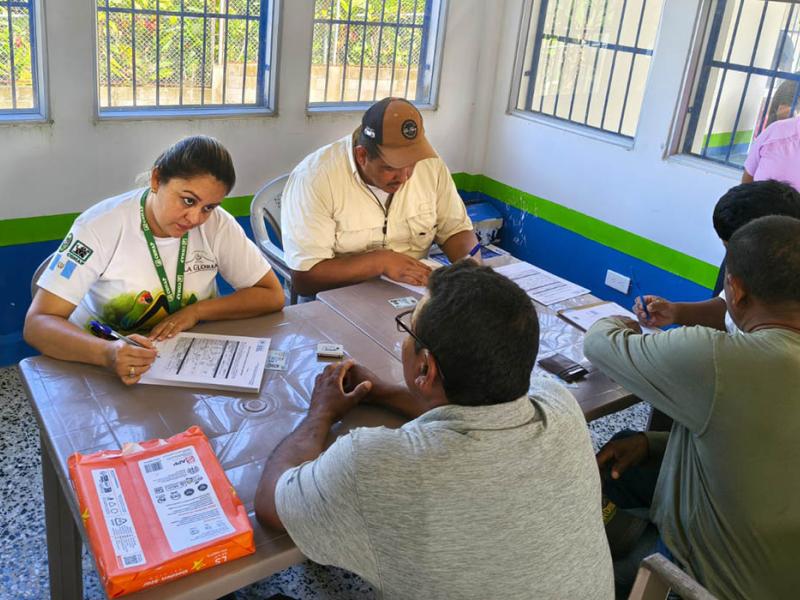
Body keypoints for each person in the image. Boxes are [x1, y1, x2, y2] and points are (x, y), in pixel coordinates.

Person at [254, 261, 614, 599]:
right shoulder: (560, 405)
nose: (403, 339)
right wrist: (384, 391)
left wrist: (320, 412)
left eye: (408, 328)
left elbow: (272, 505)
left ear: (425, 368)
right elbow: (476, 409)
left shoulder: (375, 464)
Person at [585, 215, 800, 599]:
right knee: (626, 452)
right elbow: (757, 445)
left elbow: (599, 343)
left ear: (735, 291)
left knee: (578, 558)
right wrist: (653, 443)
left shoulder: (720, 359)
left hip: (701, 584)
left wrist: (622, 321)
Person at [24, 135, 285, 385]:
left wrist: (196, 311)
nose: (195, 218)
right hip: (102, 364)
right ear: (156, 179)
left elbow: (271, 294)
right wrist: (108, 353)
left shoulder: (217, 225)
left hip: (189, 360)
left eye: (208, 207)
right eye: (188, 200)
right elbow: (38, 324)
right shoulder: (99, 226)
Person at [280, 97, 479, 296]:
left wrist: (473, 272)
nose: (405, 177)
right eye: (391, 168)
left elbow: (455, 230)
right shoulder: (315, 178)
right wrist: (380, 262)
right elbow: (305, 279)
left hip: (412, 294)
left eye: (411, 164)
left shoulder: (430, 165)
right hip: (341, 297)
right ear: (362, 156)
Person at [634, 179, 800, 333]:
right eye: (726, 249)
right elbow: (727, 310)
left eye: (732, 250)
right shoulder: (756, 266)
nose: (730, 259)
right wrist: (675, 312)